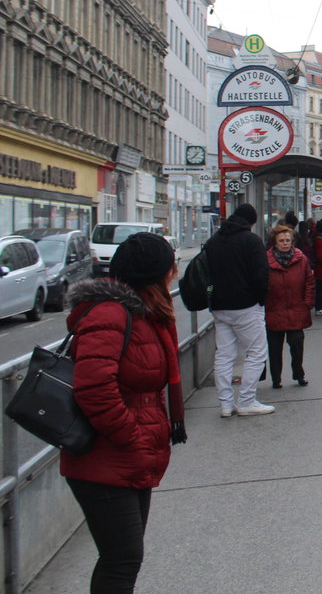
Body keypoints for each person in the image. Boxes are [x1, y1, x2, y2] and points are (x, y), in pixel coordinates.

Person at [62, 232, 187, 593]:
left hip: (131, 453)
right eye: (171, 266)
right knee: (122, 559)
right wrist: (131, 437)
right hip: (106, 454)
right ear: (156, 273)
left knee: (122, 559)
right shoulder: (111, 314)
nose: (175, 272)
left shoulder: (144, 313)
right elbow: (93, 389)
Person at [206, 203, 274, 417]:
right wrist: (260, 299)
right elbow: (261, 274)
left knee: (224, 355)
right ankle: (246, 400)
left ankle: (226, 404)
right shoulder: (251, 240)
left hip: (219, 306)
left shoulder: (214, 240)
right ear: (251, 222)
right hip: (246, 305)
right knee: (256, 352)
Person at [264, 225, 315, 388]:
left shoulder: (301, 259)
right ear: (275, 243)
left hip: (296, 310)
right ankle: (276, 379)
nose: (285, 243)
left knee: (297, 344)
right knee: (274, 348)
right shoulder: (266, 260)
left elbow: (309, 282)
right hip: (274, 311)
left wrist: (307, 303)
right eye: (281, 241)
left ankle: (299, 374)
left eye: (288, 240)